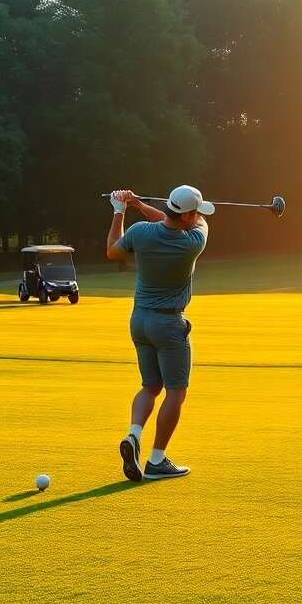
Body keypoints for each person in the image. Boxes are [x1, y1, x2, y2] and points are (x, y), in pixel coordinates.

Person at [106, 185, 214, 481]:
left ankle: (133, 435)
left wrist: (121, 210)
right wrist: (140, 205)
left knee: (150, 386)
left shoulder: (141, 232)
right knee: (175, 393)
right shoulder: (193, 241)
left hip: (139, 321)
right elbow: (187, 221)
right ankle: (156, 460)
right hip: (169, 324)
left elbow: (113, 250)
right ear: (190, 215)